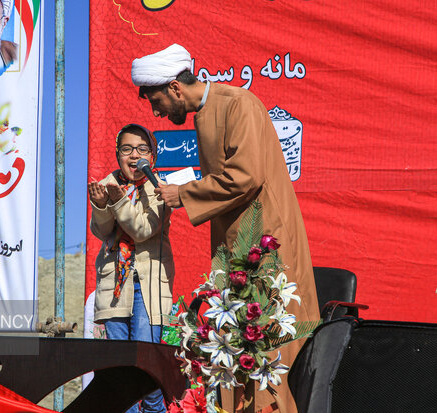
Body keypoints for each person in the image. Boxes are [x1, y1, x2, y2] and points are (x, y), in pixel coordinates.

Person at [131, 44, 320, 413]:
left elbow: (245, 176)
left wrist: (184, 193)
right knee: (239, 350)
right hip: (237, 251)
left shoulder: (238, 103)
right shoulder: (206, 113)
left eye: (156, 101)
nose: (155, 112)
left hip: (267, 247)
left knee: (268, 350)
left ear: (174, 88)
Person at [89, 124, 174, 413]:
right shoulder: (108, 184)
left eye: (141, 149)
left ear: (152, 155)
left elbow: (142, 229)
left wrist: (116, 201)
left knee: (145, 365)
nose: (134, 155)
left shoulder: (160, 188)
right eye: (127, 149)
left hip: (148, 284)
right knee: (118, 368)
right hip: (115, 284)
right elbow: (102, 232)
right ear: (117, 155)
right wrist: (101, 206)